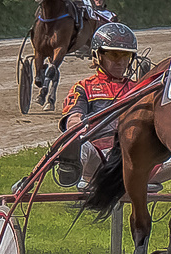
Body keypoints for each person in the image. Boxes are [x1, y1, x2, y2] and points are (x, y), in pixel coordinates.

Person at [56, 22, 140, 187]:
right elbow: (74, 116)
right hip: (99, 158)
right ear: (97, 55)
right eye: (114, 55)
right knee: (78, 142)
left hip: (137, 158)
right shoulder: (84, 87)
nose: (121, 62)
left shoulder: (139, 89)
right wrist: (76, 123)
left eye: (126, 56)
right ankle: (70, 172)